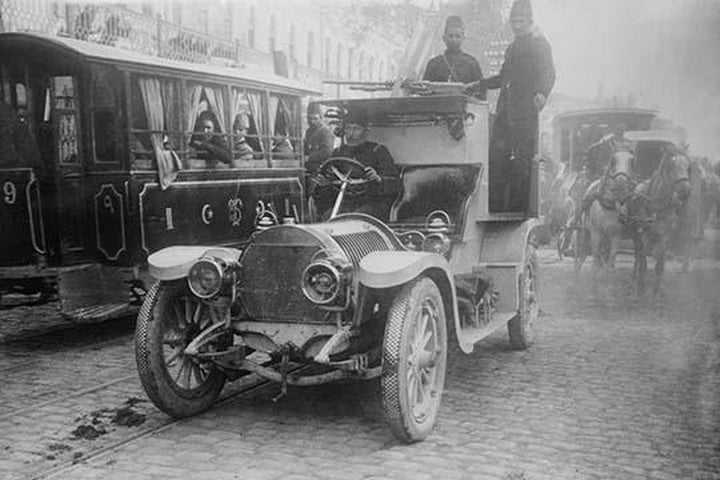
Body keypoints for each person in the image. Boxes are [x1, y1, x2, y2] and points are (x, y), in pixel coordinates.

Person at [467, 0, 555, 212]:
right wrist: (478, 84)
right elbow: (502, 77)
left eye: (521, 21)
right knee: (496, 162)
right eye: (514, 21)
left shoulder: (540, 44)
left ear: (530, 22)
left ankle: (517, 213)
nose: (517, 25)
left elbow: (549, 73)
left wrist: (542, 93)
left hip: (525, 115)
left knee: (521, 165)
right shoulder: (511, 48)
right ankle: (496, 210)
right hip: (505, 115)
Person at [312, 109, 399, 221]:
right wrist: (324, 183)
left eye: (356, 129)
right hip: (344, 201)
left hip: (372, 202)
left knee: (358, 217)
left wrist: (378, 178)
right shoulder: (338, 152)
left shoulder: (378, 151)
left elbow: (394, 183)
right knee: (329, 217)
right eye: (348, 128)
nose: (351, 133)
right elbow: (328, 181)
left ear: (366, 132)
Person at [423, 15, 485, 99]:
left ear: (463, 38)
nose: (454, 39)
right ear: (444, 38)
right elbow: (424, 92)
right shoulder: (433, 64)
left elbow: (481, 94)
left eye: (457, 36)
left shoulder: (472, 64)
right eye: (451, 36)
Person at [303, 103, 334, 174]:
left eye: (315, 118)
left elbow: (327, 151)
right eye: (309, 119)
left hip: (321, 168)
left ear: (321, 118)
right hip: (309, 167)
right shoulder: (309, 132)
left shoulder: (325, 131)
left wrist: (309, 157)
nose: (312, 121)